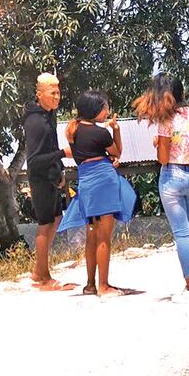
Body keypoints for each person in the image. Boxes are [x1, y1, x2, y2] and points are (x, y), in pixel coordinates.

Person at [134, 73, 189, 304]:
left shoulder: (165, 121)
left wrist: (159, 145)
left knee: (182, 235)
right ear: (182, 92)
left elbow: (163, 158)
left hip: (172, 176)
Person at [59, 89, 136, 296]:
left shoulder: (73, 132)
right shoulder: (100, 133)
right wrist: (116, 130)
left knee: (91, 234)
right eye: (105, 108)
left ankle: (91, 284)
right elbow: (117, 152)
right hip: (104, 181)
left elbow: (82, 156)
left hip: (86, 182)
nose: (107, 111)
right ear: (96, 110)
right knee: (104, 236)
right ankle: (104, 286)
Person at [23, 72, 69, 290]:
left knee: (57, 217)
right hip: (39, 178)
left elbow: (51, 146)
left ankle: (39, 269)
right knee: (45, 223)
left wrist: (59, 171)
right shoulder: (35, 123)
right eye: (52, 93)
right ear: (39, 95)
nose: (57, 97)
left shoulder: (49, 115)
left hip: (51, 175)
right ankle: (44, 277)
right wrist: (62, 154)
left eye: (58, 92)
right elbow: (33, 161)